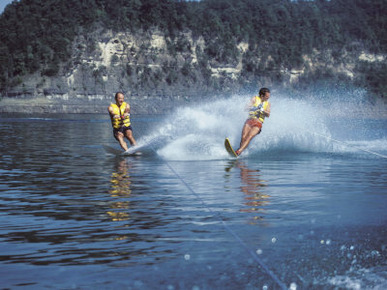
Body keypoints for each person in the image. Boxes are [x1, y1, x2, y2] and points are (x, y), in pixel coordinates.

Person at [235, 88, 271, 156]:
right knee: (243, 137)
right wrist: (253, 107)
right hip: (249, 120)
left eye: (268, 97)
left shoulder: (268, 104)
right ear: (261, 95)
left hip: (258, 123)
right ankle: (239, 152)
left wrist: (263, 110)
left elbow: (268, 114)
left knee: (249, 136)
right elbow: (246, 108)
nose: (268, 98)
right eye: (267, 97)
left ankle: (238, 151)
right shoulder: (255, 98)